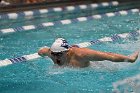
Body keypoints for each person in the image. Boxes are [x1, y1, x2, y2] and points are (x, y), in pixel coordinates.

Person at [38, 38, 139, 68]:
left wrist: (131, 59)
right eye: (53, 54)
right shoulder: (50, 53)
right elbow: (41, 51)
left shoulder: (81, 54)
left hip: (97, 68)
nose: (55, 57)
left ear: (67, 51)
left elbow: (109, 55)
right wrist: (41, 53)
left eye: (59, 54)